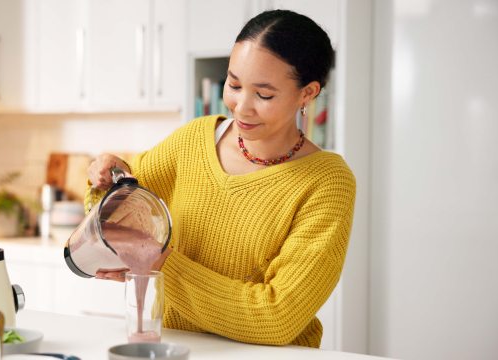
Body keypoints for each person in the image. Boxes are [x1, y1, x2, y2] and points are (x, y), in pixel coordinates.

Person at [86, 9, 356, 348]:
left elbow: (277, 318)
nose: (241, 106)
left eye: (264, 94)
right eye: (234, 84)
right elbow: (117, 197)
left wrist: (158, 262)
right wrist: (105, 172)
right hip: (171, 349)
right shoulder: (194, 140)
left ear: (307, 93)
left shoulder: (327, 182)